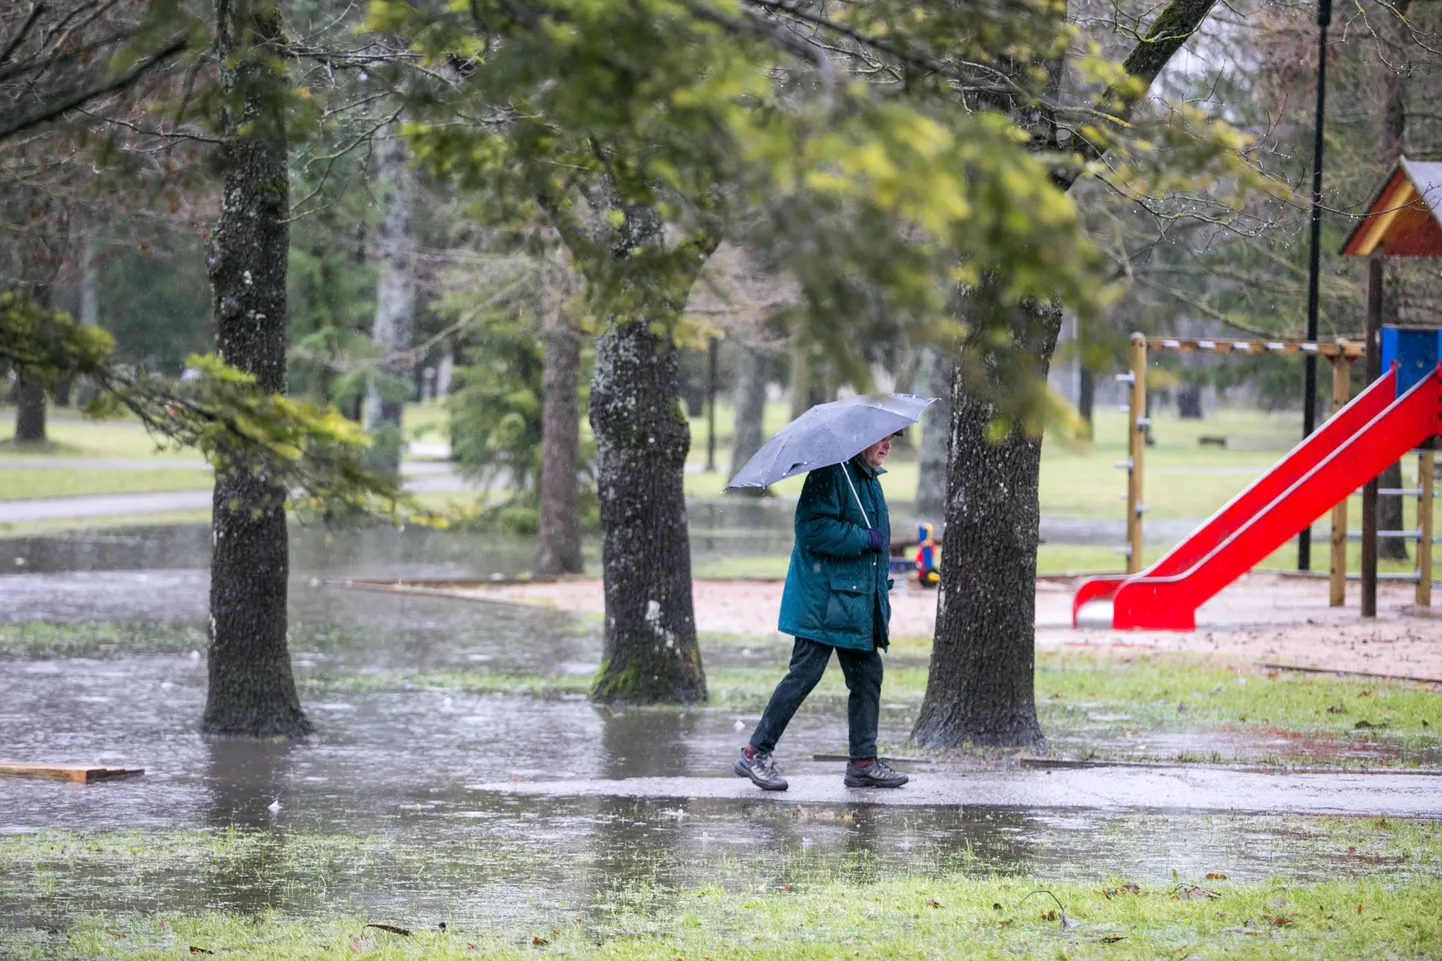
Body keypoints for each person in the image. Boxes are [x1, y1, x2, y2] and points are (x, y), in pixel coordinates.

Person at [733, 433, 908, 790]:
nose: (887, 446)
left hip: (852, 602)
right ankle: (755, 754)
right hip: (823, 602)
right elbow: (811, 530)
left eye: (891, 440)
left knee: (866, 675)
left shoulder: (867, 480)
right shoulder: (832, 474)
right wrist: (864, 539)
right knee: (804, 675)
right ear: (858, 442)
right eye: (880, 440)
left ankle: (862, 762)